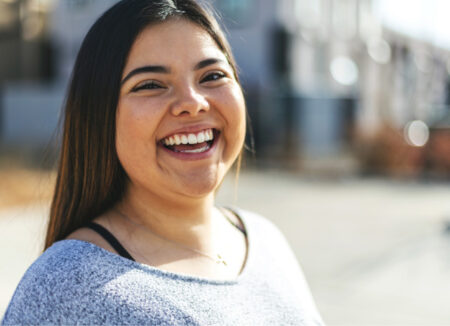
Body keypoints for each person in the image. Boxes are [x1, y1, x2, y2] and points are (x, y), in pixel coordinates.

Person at [2, 0, 324, 325]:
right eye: (151, 85)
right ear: (99, 117)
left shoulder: (266, 240)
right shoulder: (69, 282)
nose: (193, 103)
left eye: (212, 75)